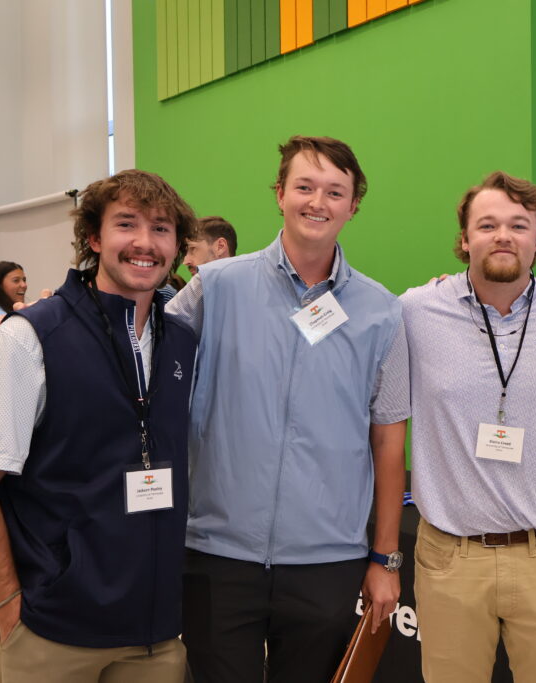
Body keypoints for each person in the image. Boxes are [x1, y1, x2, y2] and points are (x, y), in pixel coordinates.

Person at [168, 135, 409, 683]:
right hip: (216, 552)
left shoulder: (382, 313)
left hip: (326, 560)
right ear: (279, 194)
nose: (316, 202)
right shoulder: (215, 287)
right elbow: (148, 362)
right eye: (303, 186)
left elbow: (389, 441)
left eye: (334, 191)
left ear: (353, 205)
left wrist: (384, 560)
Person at [0, 169, 199, 683]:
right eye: (126, 224)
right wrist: (8, 608)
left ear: (176, 245)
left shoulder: (181, 342)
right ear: (93, 237)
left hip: (152, 636)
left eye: (161, 228)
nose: (144, 243)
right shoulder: (29, 339)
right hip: (49, 629)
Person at [401, 171, 536, 682]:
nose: (503, 235)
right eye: (487, 224)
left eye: (518, 225)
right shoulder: (415, 312)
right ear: (464, 239)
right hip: (450, 557)